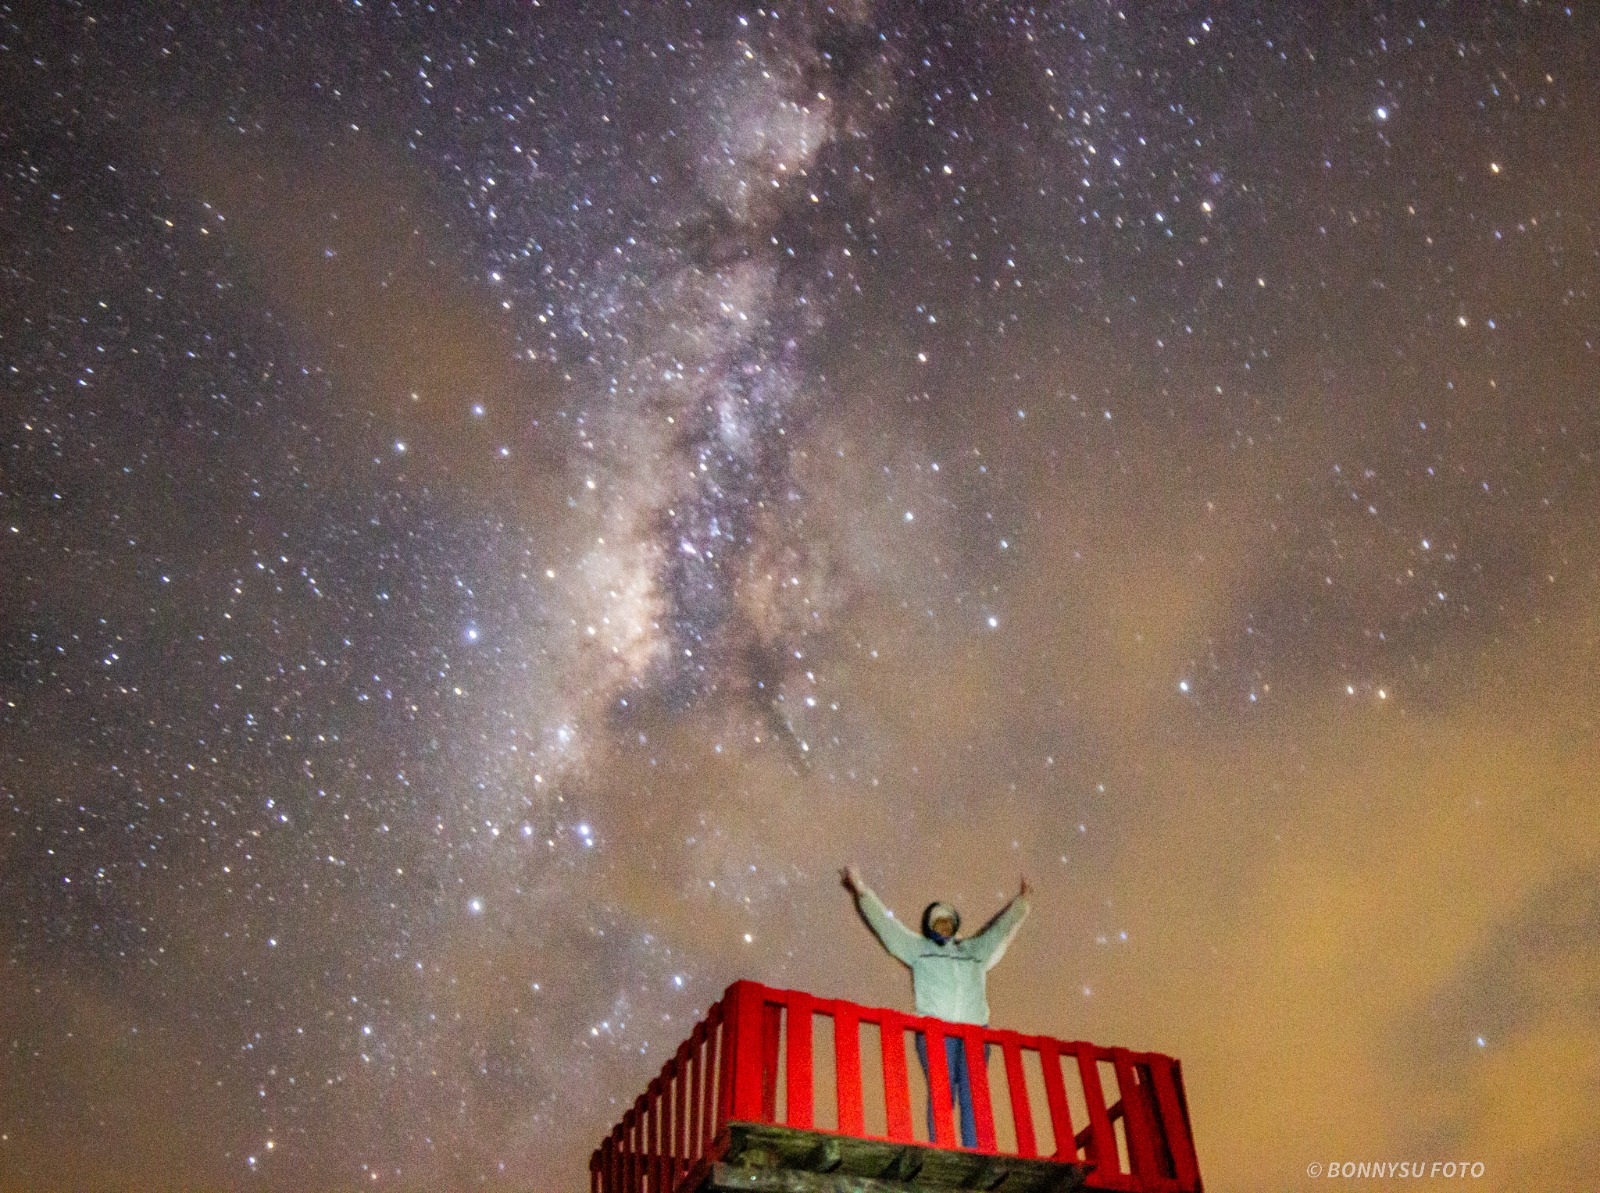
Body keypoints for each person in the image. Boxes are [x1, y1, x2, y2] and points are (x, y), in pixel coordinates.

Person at [840, 864, 1031, 1148]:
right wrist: (861, 889)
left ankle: (975, 1150)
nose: (943, 926)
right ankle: (942, 1147)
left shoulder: (974, 951)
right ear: (930, 927)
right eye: (938, 922)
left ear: (955, 926)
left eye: (948, 922)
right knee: (942, 1093)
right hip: (936, 1032)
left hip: (975, 1032)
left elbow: (1000, 931)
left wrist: (1022, 902)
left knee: (974, 1095)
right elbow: (887, 928)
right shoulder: (919, 949)